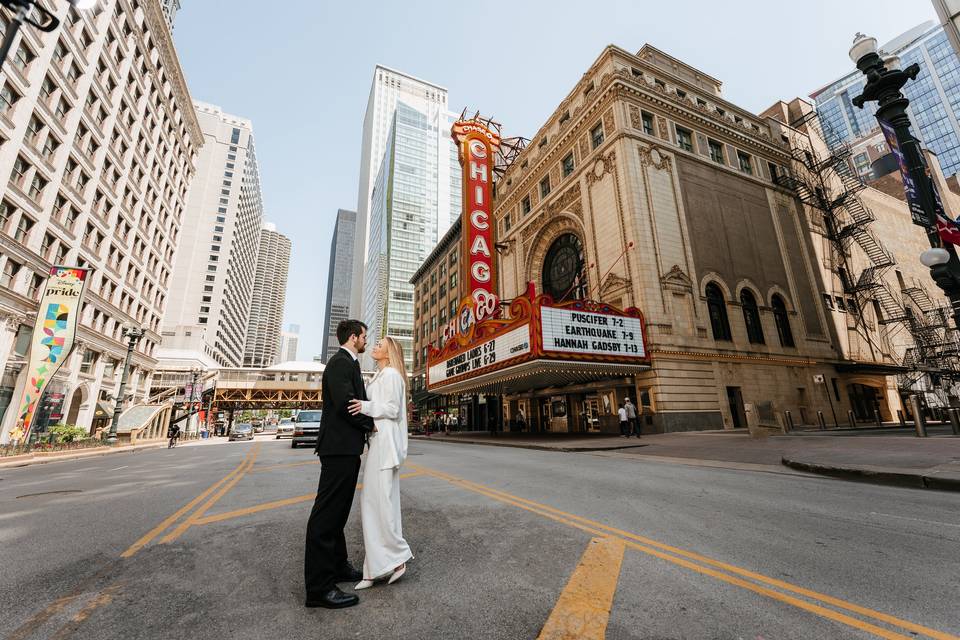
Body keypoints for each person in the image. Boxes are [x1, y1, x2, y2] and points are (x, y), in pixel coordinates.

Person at [304, 320, 375, 609]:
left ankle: (337, 566)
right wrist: (372, 425)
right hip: (338, 449)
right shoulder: (340, 364)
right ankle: (319, 589)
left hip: (346, 449)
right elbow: (348, 404)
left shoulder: (350, 363)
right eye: (364, 336)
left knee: (339, 513)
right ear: (354, 337)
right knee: (326, 516)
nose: (366, 341)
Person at [348, 336, 414, 590]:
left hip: (386, 447)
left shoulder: (393, 376)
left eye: (379, 345)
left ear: (390, 352)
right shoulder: (378, 376)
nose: (374, 347)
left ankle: (396, 559)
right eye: (374, 344)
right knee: (375, 505)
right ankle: (375, 567)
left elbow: (393, 408)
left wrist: (362, 406)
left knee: (380, 504)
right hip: (377, 444)